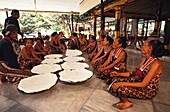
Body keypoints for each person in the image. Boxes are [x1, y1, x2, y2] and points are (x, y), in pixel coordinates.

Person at [108, 39, 164, 109]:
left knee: (120, 88)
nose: (142, 46)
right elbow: (133, 73)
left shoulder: (156, 64)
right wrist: (118, 74)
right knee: (115, 80)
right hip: (138, 82)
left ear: (150, 48)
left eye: (144, 45)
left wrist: (121, 83)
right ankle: (121, 93)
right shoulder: (145, 59)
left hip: (147, 90)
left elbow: (143, 84)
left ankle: (127, 101)